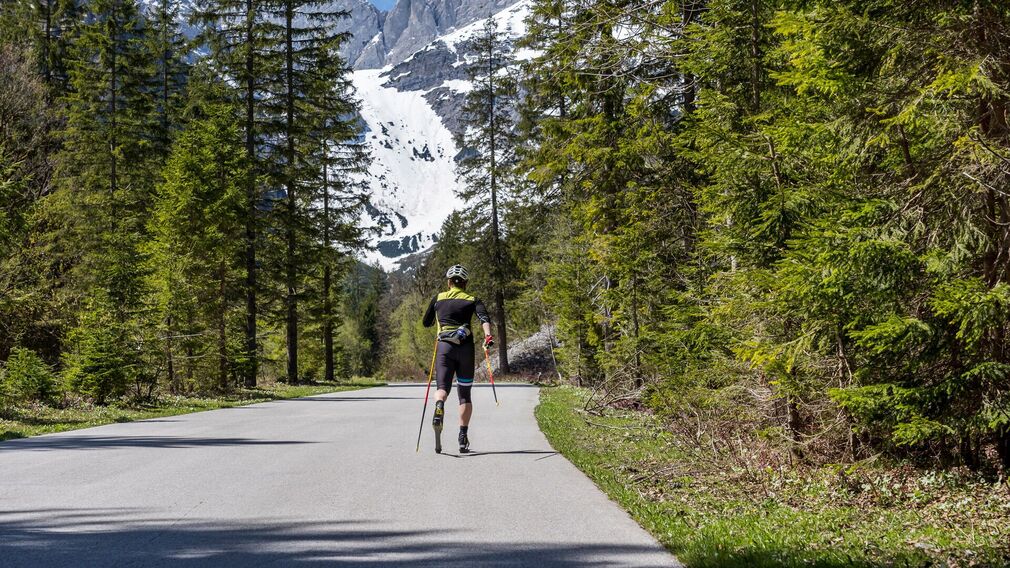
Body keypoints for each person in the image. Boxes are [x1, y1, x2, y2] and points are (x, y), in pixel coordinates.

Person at [422, 264, 494, 454]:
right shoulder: (472, 300)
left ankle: (439, 406)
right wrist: (488, 337)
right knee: (464, 394)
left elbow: (426, 322)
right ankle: (462, 438)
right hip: (465, 348)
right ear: (465, 283)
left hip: (444, 347)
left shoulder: (438, 298)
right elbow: (484, 318)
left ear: (448, 283)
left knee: (442, 388)